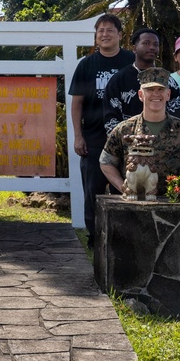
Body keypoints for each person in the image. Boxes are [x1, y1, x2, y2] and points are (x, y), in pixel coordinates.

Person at [68, 14, 135, 245]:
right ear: (95, 37)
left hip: (130, 139)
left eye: (110, 30)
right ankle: (94, 236)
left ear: (119, 34)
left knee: (127, 187)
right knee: (92, 190)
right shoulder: (86, 64)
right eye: (100, 31)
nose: (104, 34)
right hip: (94, 137)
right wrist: (78, 136)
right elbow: (76, 103)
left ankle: (122, 236)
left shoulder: (132, 61)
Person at [100, 68, 180, 198]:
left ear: (168, 94)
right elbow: (106, 162)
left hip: (171, 202)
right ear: (140, 95)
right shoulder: (124, 129)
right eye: (150, 90)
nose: (156, 94)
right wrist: (124, 187)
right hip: (135, 204)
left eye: (160, 90)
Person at [103, 28, 180, 136]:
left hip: (163, 145)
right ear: (134, 48)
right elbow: (111, 119)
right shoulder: (118, 80)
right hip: (128, 145)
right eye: (146, 43)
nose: (152, 47)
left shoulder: (169, 81)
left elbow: (175, 117)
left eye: (156, 44)